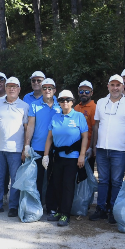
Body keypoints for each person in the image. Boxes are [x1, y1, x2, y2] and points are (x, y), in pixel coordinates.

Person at [90, 75, 125, 223]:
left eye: (118, 85)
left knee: (117, 181)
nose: (115, 88)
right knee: (103, 180)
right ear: (108, 86)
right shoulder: (101, 102)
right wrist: (94, 146)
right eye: (113, 85)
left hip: (121, 150)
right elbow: (96, 125)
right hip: (102, 149)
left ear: (123, 87)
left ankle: (113, 210)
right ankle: (101, 209)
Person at [44, 90, 89, 227]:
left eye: (67, 100)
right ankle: (58, 210)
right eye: (62, 100)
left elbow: (85, 137)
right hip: (58, 156)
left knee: (68, 186)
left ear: (72, 101)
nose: (64, 102)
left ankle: (65, 214)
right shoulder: (56, 117)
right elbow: (49, 138)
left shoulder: (78, 116)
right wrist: (45, 155)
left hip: (72, 157)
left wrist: (82, 155)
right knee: (57, 184)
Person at [0, 77, 29, 216]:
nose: (11, 88)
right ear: (5, 88)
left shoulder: (24, 106)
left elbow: (27, 128)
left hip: (16, 150)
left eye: (15, 86)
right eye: (9, 86)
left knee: (15, 179)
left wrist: (25, 147)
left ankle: (13, 206)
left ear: (19, 89)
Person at [23, 78, 61, 208]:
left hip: (56, 148)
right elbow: (31, 126)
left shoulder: (60, 104)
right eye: (44, 88)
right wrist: (27, 144)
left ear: (55, 90)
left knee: (53, 179)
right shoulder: (34, 105)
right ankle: (36, 206)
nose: (47, 90)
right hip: (38, 147)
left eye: (50, 88)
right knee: (37, 179)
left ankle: (51, 207)